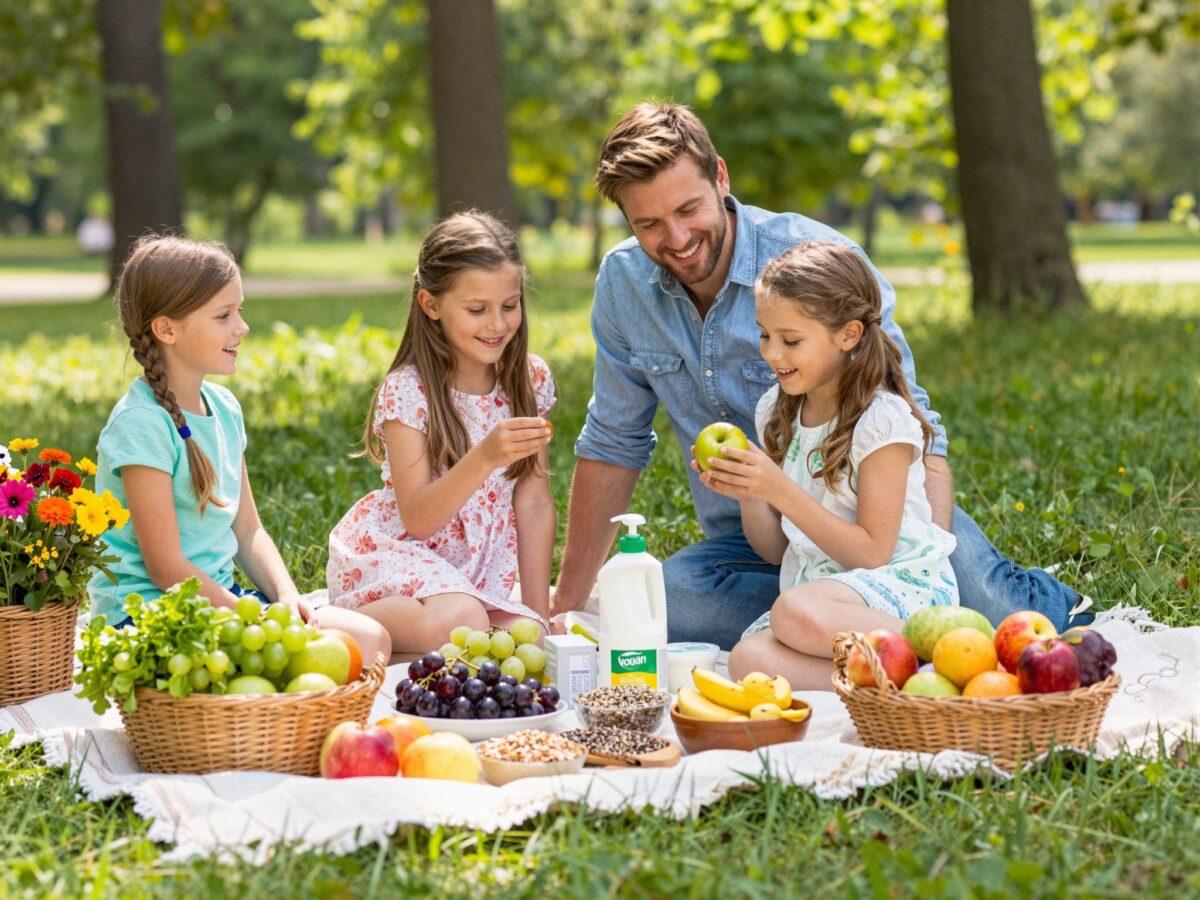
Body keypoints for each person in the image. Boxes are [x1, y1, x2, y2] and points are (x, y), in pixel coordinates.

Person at [553, 102, 1089, 649]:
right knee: (678, 596)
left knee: (993, 612)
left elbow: (922, 430)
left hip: (876, 517)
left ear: (720, 176)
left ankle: (912, 619)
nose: (678, 237)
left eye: (689, 209)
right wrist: (566, 605)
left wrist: (916, 568)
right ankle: (839, 624)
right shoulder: (623, 284)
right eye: (649, 224)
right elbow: (612, 443)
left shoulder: (816, 263)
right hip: (763, 543)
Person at [90, 235, 390, 664]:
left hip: (220, 602)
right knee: (305, 662)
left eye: (240, 311)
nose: (242, 327)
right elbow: (167, 568)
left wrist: (285, 597)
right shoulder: (141, 425)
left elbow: (248, 531)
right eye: (223, 315)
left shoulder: (224, 409)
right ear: (167, 329)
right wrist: (255, 621)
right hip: (149, 617)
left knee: (372, 640)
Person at [704, 241, 957, 687]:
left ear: (849, 334)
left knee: (792, 612)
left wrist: (778, 489)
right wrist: (751, 495)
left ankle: (949, 654)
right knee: (748, 659)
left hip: (894, 590)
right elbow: (779, 551)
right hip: (819, 594)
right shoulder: (776, 412)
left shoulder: (880, 421)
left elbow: (873, 552)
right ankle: (908, 683)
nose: (771, 354)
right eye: (765, 335)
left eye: (791, 340)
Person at [326, 211, 556, 654]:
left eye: (509, 305)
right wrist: (484, 457)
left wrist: (537, 614)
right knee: (462, 620)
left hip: (469, 576)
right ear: (431, 305)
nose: (497, 324)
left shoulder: (529, 380)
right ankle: (335, 620)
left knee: (530, 635)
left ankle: (451, 622)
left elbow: (535, 503)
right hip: (399, 559)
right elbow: (418, 518)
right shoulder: (409, 391)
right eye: (476, 310)